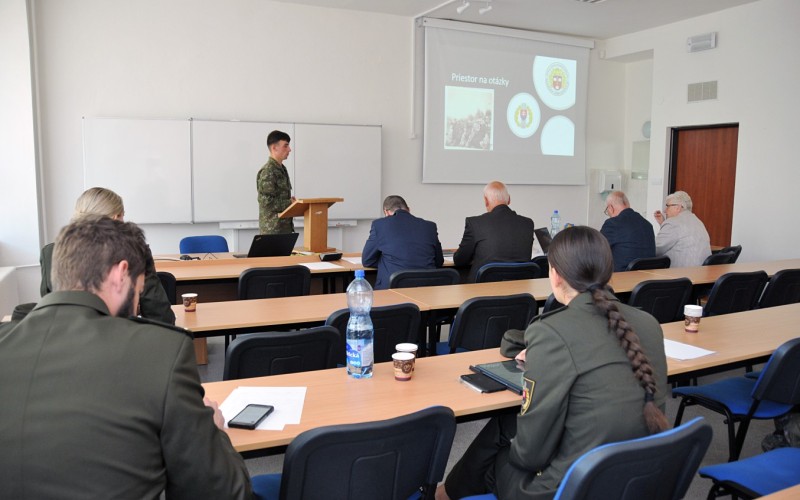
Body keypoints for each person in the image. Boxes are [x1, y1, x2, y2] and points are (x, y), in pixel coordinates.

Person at [0, 216, 252, 498]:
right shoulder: (160, 351)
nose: (137, 305)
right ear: (121, 274)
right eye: (139, 291)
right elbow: (225, 492)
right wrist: (214, 431)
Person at [437, 226, 668, 500]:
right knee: (508, 429)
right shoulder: (649, 323)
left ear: (555, 274)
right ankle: (447, 492)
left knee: (495, 458)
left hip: (572, 487)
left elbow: (529, 456)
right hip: (638, 476)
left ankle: (445, 494)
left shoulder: (552, 331)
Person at [39, 187, 175, 324]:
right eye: (123, 216)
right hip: (117, 334)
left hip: (63, 334)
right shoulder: (133, 251)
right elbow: (160, 316)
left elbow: (49, 308)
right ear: (116, 218)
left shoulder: (49, 253)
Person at [453, 181, 534, 282]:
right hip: (520, 288)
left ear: (486, 201)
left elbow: (460, 260)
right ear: (509, 199)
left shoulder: (475, 223)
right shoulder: (528, 223)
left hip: (482, 289)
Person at [362, 195, 444, 290]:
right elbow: (439, 261)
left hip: (392, 289)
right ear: (408, 209)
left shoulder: (380, 225)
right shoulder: (430, 226)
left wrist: (389, 260)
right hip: (427, 288)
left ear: (386, 212)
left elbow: (367, 260)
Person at [600, 190, 656, 271]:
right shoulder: (647, 224)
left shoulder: (613, 223)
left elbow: (596, 250)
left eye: (607, 211)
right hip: (647, 277)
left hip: (621, 276)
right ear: (627, 204)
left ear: (611, 208)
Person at [653, 190, 711, 267]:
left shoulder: (672, 223)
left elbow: (654, 249)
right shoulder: (697, 221)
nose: (665, 210)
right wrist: (663, 223)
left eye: (668, 206)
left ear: (678, 207)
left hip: (680, 273)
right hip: (701, 272)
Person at [258, 129, 296, 234]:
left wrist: (292, 203)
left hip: (284, 228)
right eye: (285, 146)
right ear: (274, 148)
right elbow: (266, 202)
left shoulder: (281, 169)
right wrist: (289, 203)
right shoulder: (268, 171)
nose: (289, 149)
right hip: (273, 230)